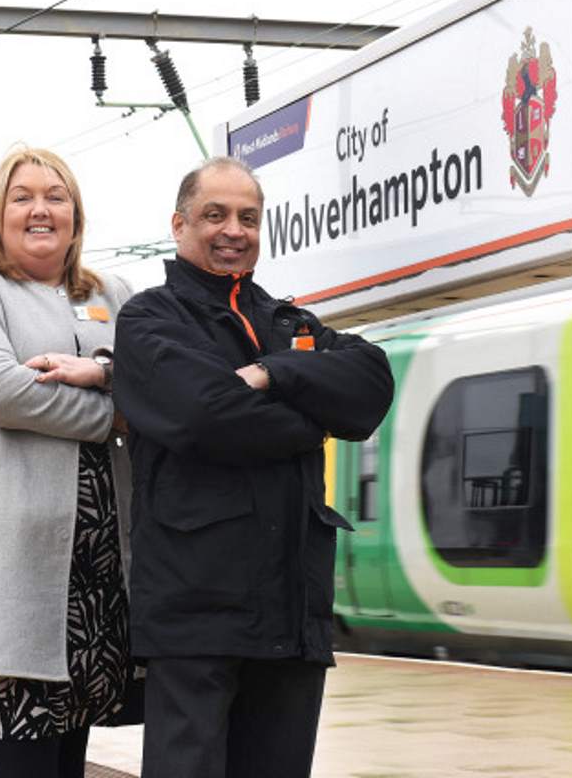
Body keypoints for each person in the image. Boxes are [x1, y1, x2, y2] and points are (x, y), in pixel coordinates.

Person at [113, 157, 394, 778]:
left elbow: (371, 383)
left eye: (247, 216)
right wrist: (311, 420)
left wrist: (275, 372)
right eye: (214, 214)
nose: (232, 230)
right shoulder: (148, 320)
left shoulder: (290, 323)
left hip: (292, 608)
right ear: (179, 224)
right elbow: (205, 415)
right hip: (196, 614)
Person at [0, 146, 137, 778]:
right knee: (23, 748)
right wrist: (114, 415)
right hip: (11, 557)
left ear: (76, 214)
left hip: (99, 558)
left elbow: (161, 385)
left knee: (70, 746)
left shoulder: (113, 293)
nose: (41, 209)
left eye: (56, 196)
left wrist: (105, 375)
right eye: (23, 196)